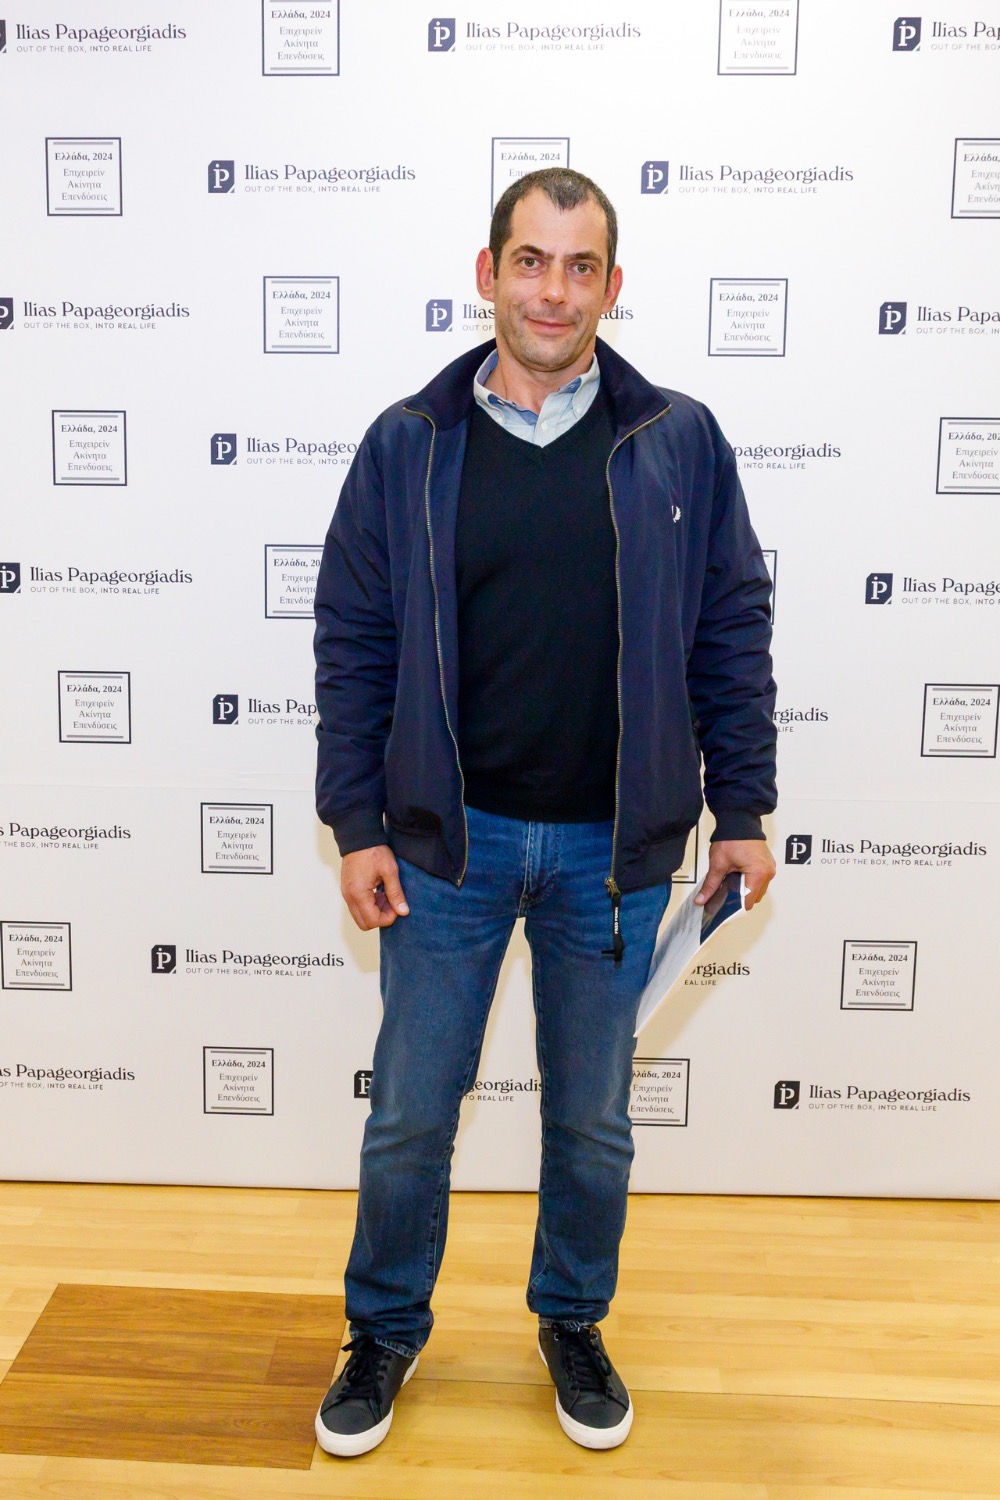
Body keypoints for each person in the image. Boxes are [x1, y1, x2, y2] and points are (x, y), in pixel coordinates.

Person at [312, 167, 776, 1457]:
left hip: (611, 855)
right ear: (489, 273)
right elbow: (354, 638)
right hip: (444, 846)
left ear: (613, 287)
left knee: (591, 1122)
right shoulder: (409, 441)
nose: (553, 291)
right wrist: (357, 822)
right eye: (530, 261)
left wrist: (742, 804)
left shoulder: (678, 440)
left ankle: (572, 1320)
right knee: (411, 1112)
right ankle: (383, 1330)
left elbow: (730, 627)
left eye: (580, 268)